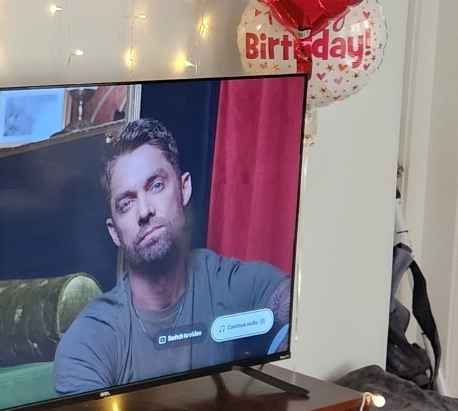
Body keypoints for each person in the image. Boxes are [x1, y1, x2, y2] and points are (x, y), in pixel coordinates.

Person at [54, 118, 291, 394]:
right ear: (114, 232)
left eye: (156, 185)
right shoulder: (89, 342)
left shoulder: (225, 283)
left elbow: (295, 309)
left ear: (184, 188)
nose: (145, 211)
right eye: (127, 203)